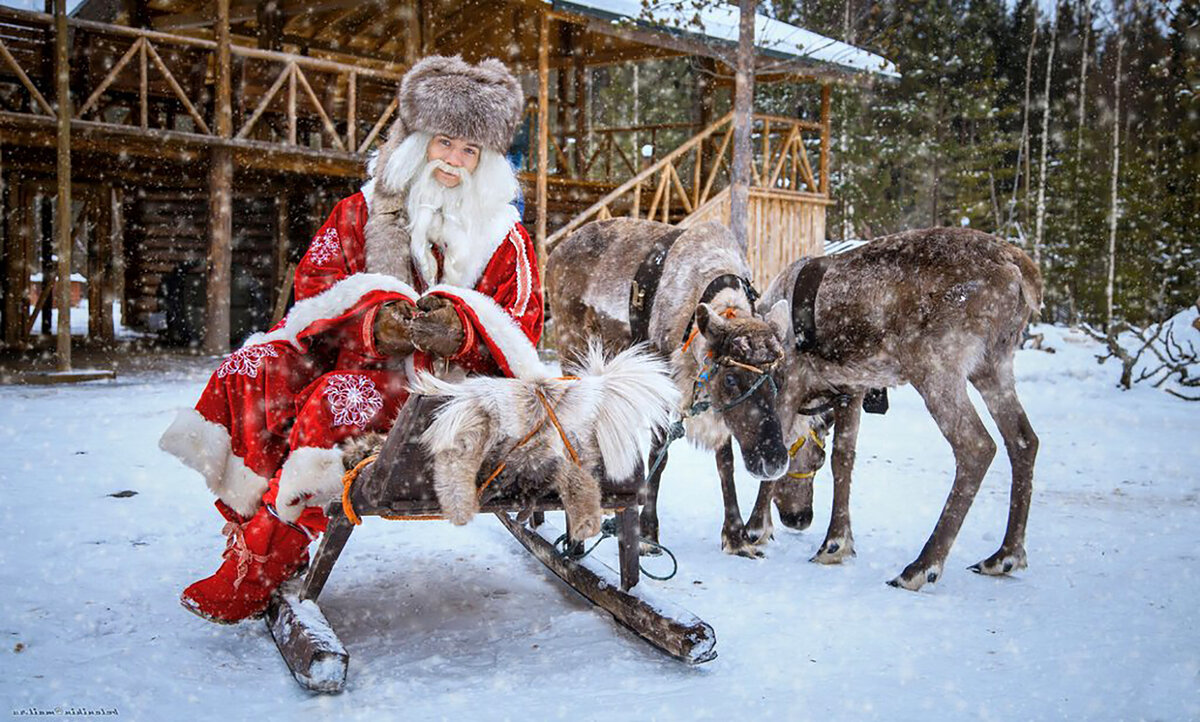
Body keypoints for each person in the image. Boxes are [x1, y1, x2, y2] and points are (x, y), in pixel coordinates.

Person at [159, 55, 543, 624]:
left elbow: (522, 325)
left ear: (486, 161)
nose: (455, 163)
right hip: (361, 363)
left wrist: (461, 331)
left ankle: (265, 557)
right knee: (252, 368)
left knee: (334, 401)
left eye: (470, 151)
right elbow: (314, 290)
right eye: (444, 144)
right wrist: (373, 323)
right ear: (418, 142)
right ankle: (254, 528)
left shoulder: (505, 239)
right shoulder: (359, 213)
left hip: (451, 394)